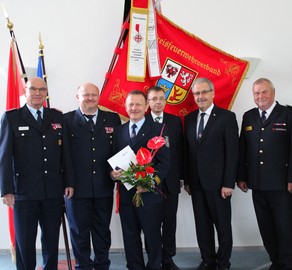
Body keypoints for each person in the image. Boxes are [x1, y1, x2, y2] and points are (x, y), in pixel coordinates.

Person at [0, 77, 74, 270]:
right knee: (25, 241)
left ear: (46, 92)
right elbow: (4, 157)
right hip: (24, 192)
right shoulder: (12, 117)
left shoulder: (57, 117)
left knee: (51, 239)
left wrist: (69, 182)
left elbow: (65, 153)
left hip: (52, 190)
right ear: (26, 91)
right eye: (33, 89)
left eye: (42, 89)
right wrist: (6, 190)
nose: (38, 93)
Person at [237, 78, 292, 270]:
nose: (260, 96)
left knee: (285, 226)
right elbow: (243, 148)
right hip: (257, 182)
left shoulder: (290, 115)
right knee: (266, 227)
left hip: (281, 183)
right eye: (256, 93)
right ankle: (275, 261)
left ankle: (287, 264)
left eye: (264, 92)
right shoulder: (248, 116)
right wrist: (242, 176)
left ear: (273, 93)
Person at [63, 82, 121, 269]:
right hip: (76, 189)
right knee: (79, 233)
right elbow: (63, 156)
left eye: (93, 95)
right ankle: (83, 266)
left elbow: (118, 151)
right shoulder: (66, 120)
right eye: (85, 94)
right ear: (77, 96)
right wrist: (67, 182)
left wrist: (117, 172)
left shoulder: (112, 119)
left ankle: (102, 264)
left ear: (99, 97)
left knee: (102, 231)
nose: (90, 98)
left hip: (104, 186)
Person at [110, 90, 170, 270]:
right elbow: (113, 160)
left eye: (138, 104)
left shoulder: (158, 129)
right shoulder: (119, 131)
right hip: (127, 194)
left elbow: (165, 163)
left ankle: (154, 267)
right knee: (130, 237)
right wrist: (112, 174)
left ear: (146, 106)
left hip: (149, 195)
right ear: (126, 107)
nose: (134, 108)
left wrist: (149, 183)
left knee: (152, 237)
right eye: (130, 105)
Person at [184, 77, 239, 270]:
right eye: (197, 93)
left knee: (223, 227)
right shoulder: (189, 119)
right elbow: (188, 152)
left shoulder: (226, 117)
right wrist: (188, 181)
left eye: (204, 92)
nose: (200, 96)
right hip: (196, 184)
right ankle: (208, 260)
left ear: (213, 93)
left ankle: (223, 263)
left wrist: (228, 183)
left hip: (219, 185)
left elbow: (233, 153)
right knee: (202, 226)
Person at [146, 86, 184, 270]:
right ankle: (154, 259)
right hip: (149, 183)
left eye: (161, 98)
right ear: (148, 102)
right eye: (154, 99)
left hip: (171, 183)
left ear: (166, 101)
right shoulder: (142, 121)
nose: (158, 102)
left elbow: (181, 152)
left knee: (170, 224)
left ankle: (168, 259)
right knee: (151, 224)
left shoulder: (175, 122)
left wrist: (183, 179)